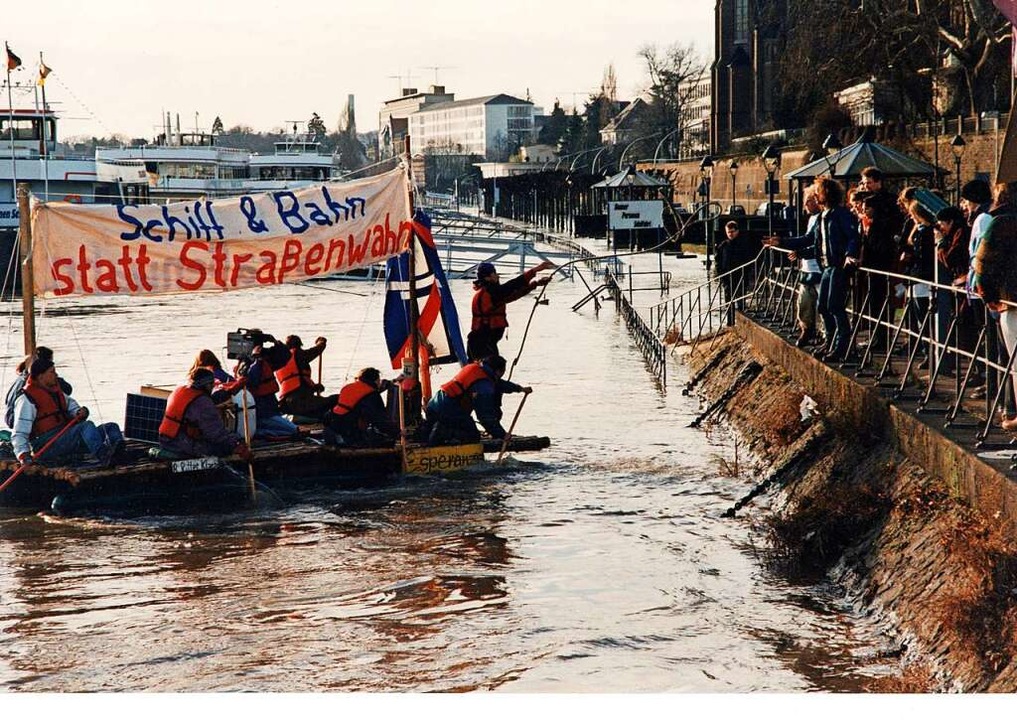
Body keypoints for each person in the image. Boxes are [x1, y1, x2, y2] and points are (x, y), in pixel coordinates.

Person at [764, 177, 860, 361]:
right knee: (823, 307)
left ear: (826, 194)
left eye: (817, 192)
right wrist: (782, 241)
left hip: (838, 266)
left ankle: (843, 347)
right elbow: (809, 240)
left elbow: (853, 237)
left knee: (835, 306)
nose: (815, 196)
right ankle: (830, 342)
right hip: (826, 267)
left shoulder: (841, 214)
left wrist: (850, 254)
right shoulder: (823, 217)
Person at [11, 358, 124, 468]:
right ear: (41, 376)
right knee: (86, 426)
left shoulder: (55, 392)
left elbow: (72, 407)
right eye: (52, 372)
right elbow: (19, 432)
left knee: (111, 427)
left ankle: (120, 454)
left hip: (64, 438)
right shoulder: (26, 400)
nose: (56, 375)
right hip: (46, 446)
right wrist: (23, 455)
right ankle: (103, 456)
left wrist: (79, 412)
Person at [420, 355, 530, 445]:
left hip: (433, 407)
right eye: (502, 373)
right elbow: (485, 416)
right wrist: (501, 434)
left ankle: (428, 431)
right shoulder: (483, 385)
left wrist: (519, 389)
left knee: (427, 432)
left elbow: (499, 384)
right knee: (473, 436)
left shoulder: (477, 369)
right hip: (449, 410)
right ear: (497, 371)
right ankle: (442, 432)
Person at [467, 260, 555, 360]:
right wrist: (536, 270)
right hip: (481, 343)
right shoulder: (490, 292)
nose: (497, 276)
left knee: (492, 367)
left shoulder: (491, 292)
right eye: (494, 273)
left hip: (483, 342)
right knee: (490, 368)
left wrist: (535, 284)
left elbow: (512, 296)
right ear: (487, 277)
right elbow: (512, 286)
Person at [159, 367, 252, 460]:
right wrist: (237, 443)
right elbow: (216, 434)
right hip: (181, 445)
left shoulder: (179, 390)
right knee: (222, 448)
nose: (213, 387)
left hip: (166, 441)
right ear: (206, 385)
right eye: (212, 384)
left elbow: (208, 402)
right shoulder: (202, 403)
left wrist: (230, 390)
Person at [324, 367, 399, 447]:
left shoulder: (348, 387)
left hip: (333, 425)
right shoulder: (372, 395)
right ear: (376, 380)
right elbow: (380, 420)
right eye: (379, 380)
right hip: (350, 430)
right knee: (383, 440)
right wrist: (397, 432)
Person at [4, 346, 72, 429]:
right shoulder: (31, 383)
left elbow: (67, 390)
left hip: (13, 421)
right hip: (22, 424)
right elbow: (67, 389)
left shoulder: (19, 379)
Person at [243, 342, 300, 439]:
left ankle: (264, 432)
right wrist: (256, 358)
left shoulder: (266, 362)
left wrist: (274, 341)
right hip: (262, 413)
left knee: (292, 429)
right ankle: (261, 433)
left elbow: (285, 356)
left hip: (271, 410)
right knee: (294, 430)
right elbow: (252, 380)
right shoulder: (248, 365)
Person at [275, 335, 337, 419]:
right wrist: (321, 342)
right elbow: (316, 350)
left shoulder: (280, 361)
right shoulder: (297, 354)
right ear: (299, 346)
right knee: (337, 399)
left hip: (286, 405)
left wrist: (315, 387)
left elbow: (297, 382)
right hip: (301, 403)